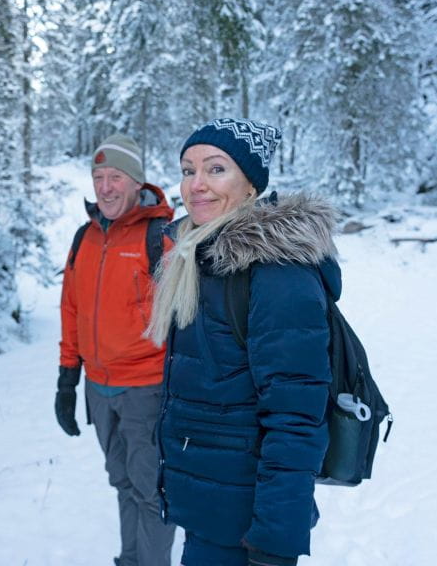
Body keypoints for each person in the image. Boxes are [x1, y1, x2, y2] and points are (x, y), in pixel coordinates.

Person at [145, 119, 339, 566]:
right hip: (210, 511)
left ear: (251, 184)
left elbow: (296, 418)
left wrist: (275, 543)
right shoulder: (199, 258)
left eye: (216, 169)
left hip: (246, 530)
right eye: (188, 170)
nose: (196, 184)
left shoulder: (277, 273)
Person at [56, 133, 176, 566]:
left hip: (146, 389)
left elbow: (184, 319)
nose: (105, 188)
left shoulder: (160, 238)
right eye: (98, 177)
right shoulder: (84, 238)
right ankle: (130, 559)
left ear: (136, 182)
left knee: (152, 492)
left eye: (116, 177)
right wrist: (67, 381)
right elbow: (71, 309)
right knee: (122, 483)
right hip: (99, 389)